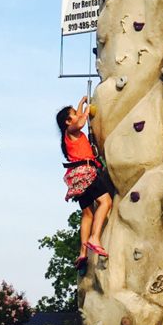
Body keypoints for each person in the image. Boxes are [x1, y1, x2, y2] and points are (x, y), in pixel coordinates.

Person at [56, 98, 112, 268]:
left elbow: (78, 118)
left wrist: (81, 102)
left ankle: (82, 252)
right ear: (67, 121)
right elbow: (80, 122)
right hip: (86, 173)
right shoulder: (71, 130)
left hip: (77, 180)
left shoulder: (68, 135)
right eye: (73, 114)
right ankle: (95, 237)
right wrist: (88, 109)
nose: (78, 115)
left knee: (88, 214)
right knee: (106, 202)